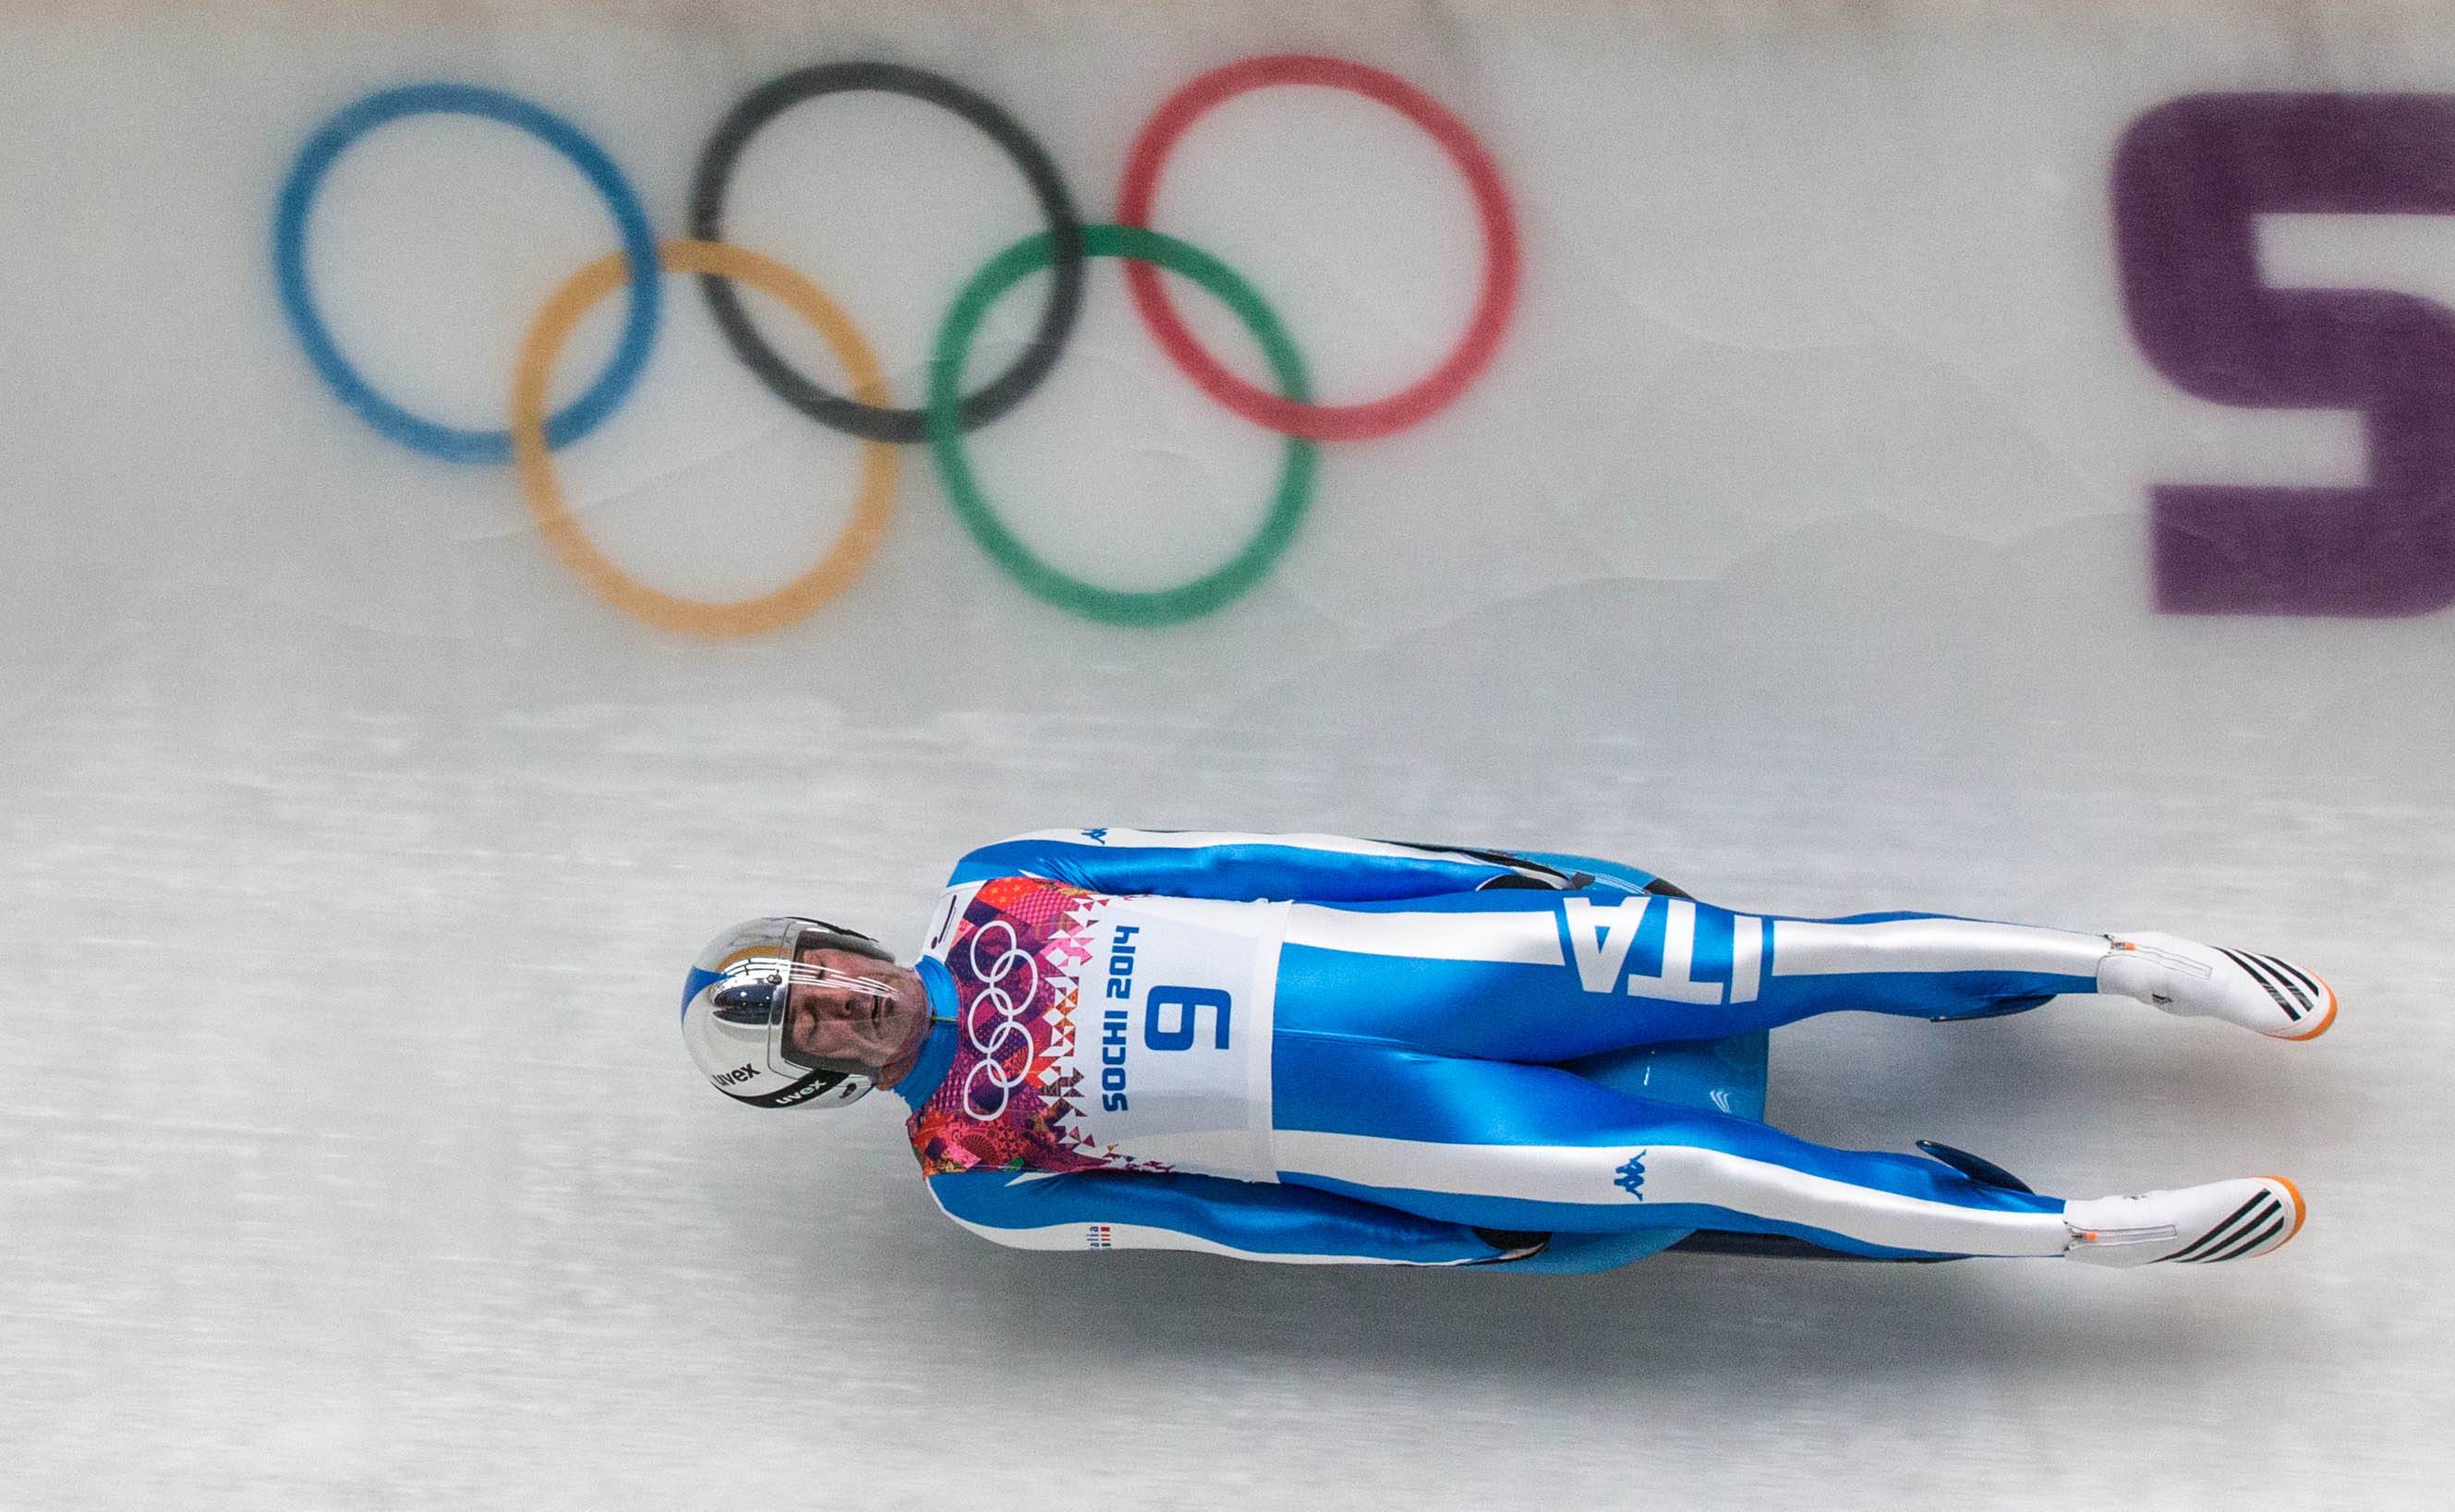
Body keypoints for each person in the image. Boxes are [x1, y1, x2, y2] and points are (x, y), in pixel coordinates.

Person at [680, 829, 2332, 1270]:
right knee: (1691, 1170)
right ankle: (2076, 1233)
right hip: (1397, 1123)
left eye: (815, 975)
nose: (837, 1000)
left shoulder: (991, 885)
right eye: (814, 1024)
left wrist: (1462, 875)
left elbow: (1238, 860)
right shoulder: (967, 1173)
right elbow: (1225, 1225)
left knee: (1775, 957)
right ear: (822, 1072)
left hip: (1438, 967)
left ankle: (2125, 968)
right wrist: (1449, 1245)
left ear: (831, 940)